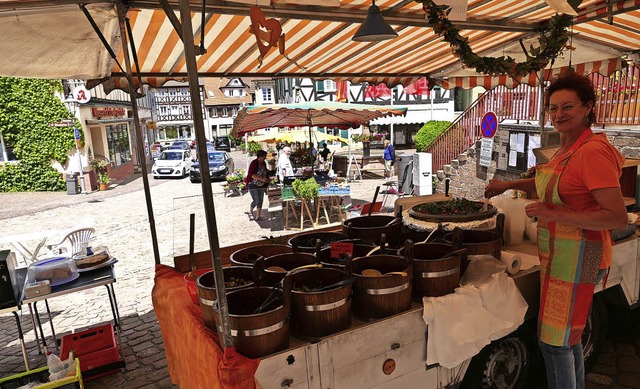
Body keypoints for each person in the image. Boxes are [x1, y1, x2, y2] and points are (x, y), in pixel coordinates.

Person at [484, 72, 627, 389]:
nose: (558, 115)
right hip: (561, 256)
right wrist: (506, 185)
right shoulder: (568, 147)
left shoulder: (592, 151)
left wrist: (552, 212)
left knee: (555, 342)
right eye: (553, 108)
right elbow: (551, 183)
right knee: (569, 335)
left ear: (588, 107)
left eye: (568, 107)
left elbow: (616, 217)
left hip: (582, 255)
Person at [245, 150, 271, 221]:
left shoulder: (264, 163)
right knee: (256, 200)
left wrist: (267, 182)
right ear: (260, 156)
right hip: (252, 184)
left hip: (261, 185)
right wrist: (262, 179)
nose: (265, 158)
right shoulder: (254, 163)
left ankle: (258, 216)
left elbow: (265, 173)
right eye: (264, 156)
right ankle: (251, 210)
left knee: (261, 200)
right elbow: (252, 175)